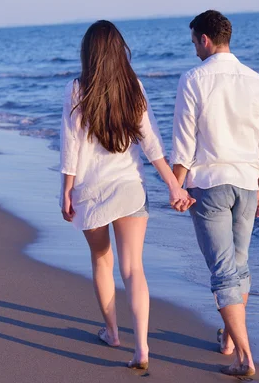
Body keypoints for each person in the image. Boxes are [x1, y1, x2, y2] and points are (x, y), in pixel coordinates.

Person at [59, 20, 194, 370]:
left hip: (92, 191)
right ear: (120, 51)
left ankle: (112, 332)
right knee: (134, 268)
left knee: (103, 261)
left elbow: (71, 146)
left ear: (89, 53)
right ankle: (143, 349)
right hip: (131, 187)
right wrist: (173, 185)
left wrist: (66, 191)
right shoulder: (133, 86)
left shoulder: (78, 88)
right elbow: (151, 143)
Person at [171, 10, 259, 377]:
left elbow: (184, 144)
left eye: (194, 43)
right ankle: (230, 340)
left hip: (210, 184)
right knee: (239, 265)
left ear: (204, 39)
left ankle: (244, 359)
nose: (194, 50)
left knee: (222, 272)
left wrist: (176, 184)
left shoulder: (194, 79)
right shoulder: (257, 81)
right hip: (248, 184)